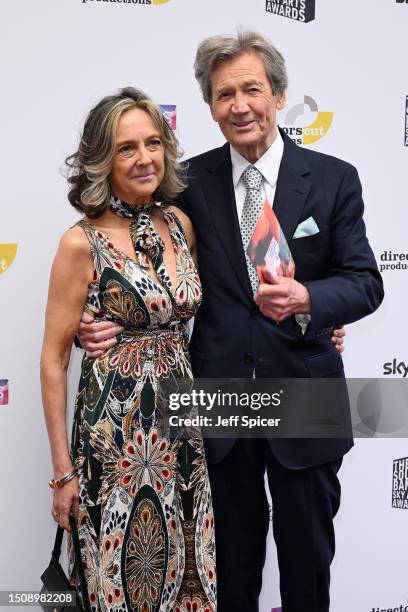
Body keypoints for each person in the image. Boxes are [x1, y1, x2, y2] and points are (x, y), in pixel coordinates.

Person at [78, 31, 384, 612]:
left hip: (305, 397)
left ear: (279, 94)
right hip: (218, 406)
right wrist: (94, 319)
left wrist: (308, 300)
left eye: (252, 89)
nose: (239, 105)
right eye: (224, 95)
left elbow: (367, 281)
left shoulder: (333, 177)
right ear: (210, 107)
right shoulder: (186, 182)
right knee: (230, 574)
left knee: (306, 569)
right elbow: (129, 250)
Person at [40, 87, 216, 612]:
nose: (145, 159)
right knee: (120, 580)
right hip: (113, 442)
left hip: (184, 436)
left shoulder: (181, 225)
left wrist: (318, 324)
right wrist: (63, 473)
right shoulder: (80, 243)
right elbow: (53, 360)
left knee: (188, 575)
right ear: (102, 159)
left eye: (153, 143)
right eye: (126, 148)